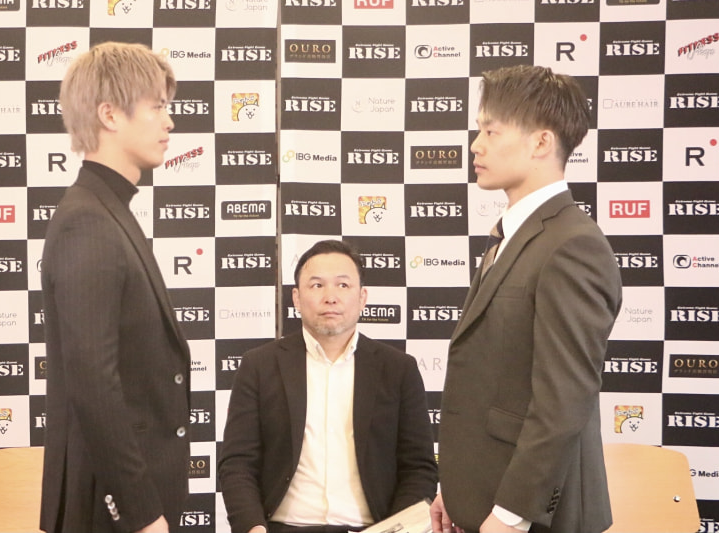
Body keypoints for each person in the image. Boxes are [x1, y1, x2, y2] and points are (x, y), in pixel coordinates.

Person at [431, 65, 622, 533]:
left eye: (491, 131)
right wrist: (455, 488)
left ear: (540, 142)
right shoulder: (513, 235)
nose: (476, 145)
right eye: (479, 130)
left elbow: (563, 402)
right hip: (483, 498)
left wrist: (511, 515)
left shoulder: (573, 245)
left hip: (533, 518)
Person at [39, 42, 191, 533]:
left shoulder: (108, 211)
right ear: (109, 115)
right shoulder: (87, 220)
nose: (169, 122)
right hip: (111, 511)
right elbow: (93, 383)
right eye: (157, 107)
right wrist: (141, 513)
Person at [218, 239, 437, 533]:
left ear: (362, 297)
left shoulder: (399, 369)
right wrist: (253, 528)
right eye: (317, 285)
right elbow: (237, 463)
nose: (330, 297)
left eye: (343, 285)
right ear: (296, 298)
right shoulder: (259, 366)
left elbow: (418, 468)